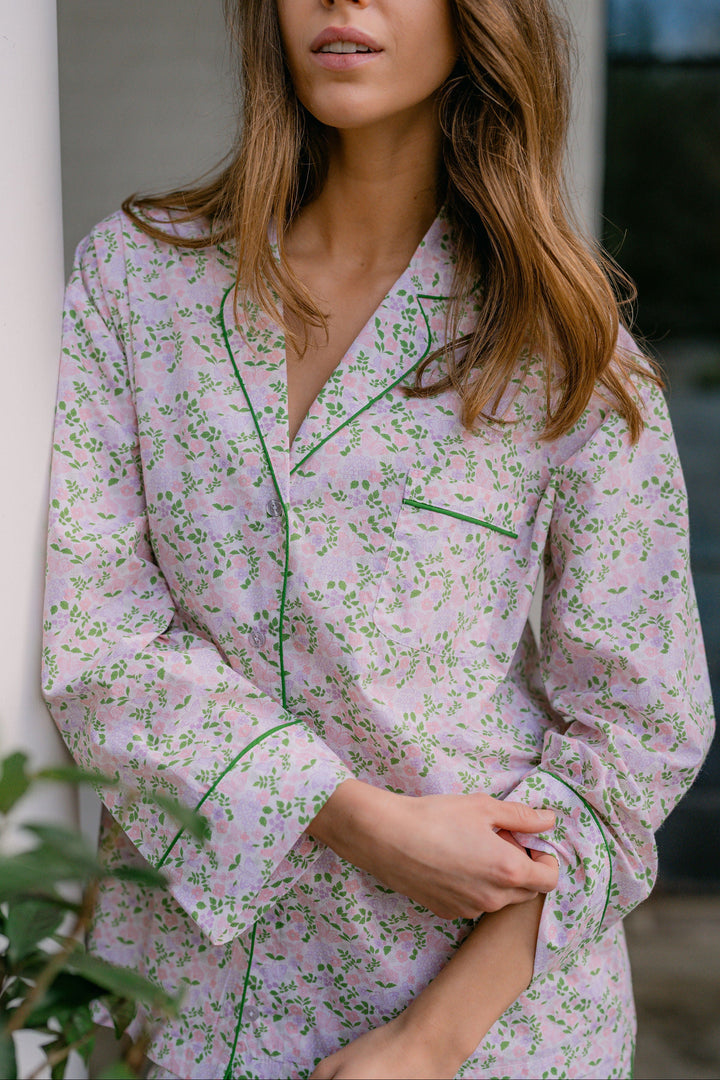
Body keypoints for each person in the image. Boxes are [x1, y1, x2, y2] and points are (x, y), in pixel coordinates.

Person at [42, 1, 715, 1078]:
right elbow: (98, 642)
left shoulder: (565, 343)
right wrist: (353, 818)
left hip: (490, 1026)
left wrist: (431, 1041)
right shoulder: (137, 283)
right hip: (185, 1006)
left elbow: (640, 732)